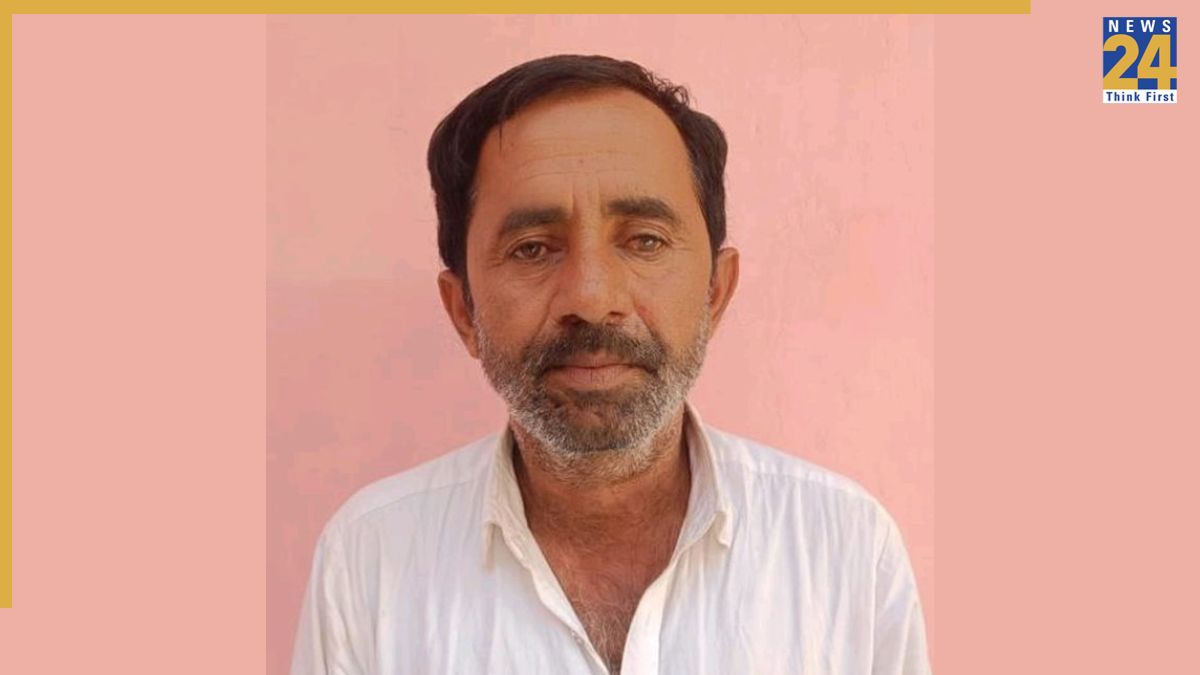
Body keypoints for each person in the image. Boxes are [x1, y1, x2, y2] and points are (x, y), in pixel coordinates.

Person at [290, 54, 931, 675]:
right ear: (464, 311)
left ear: (715, 291)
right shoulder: (371, 559)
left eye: (644, 240)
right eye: (533, 248)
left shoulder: (844, 548)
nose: (592, 299)